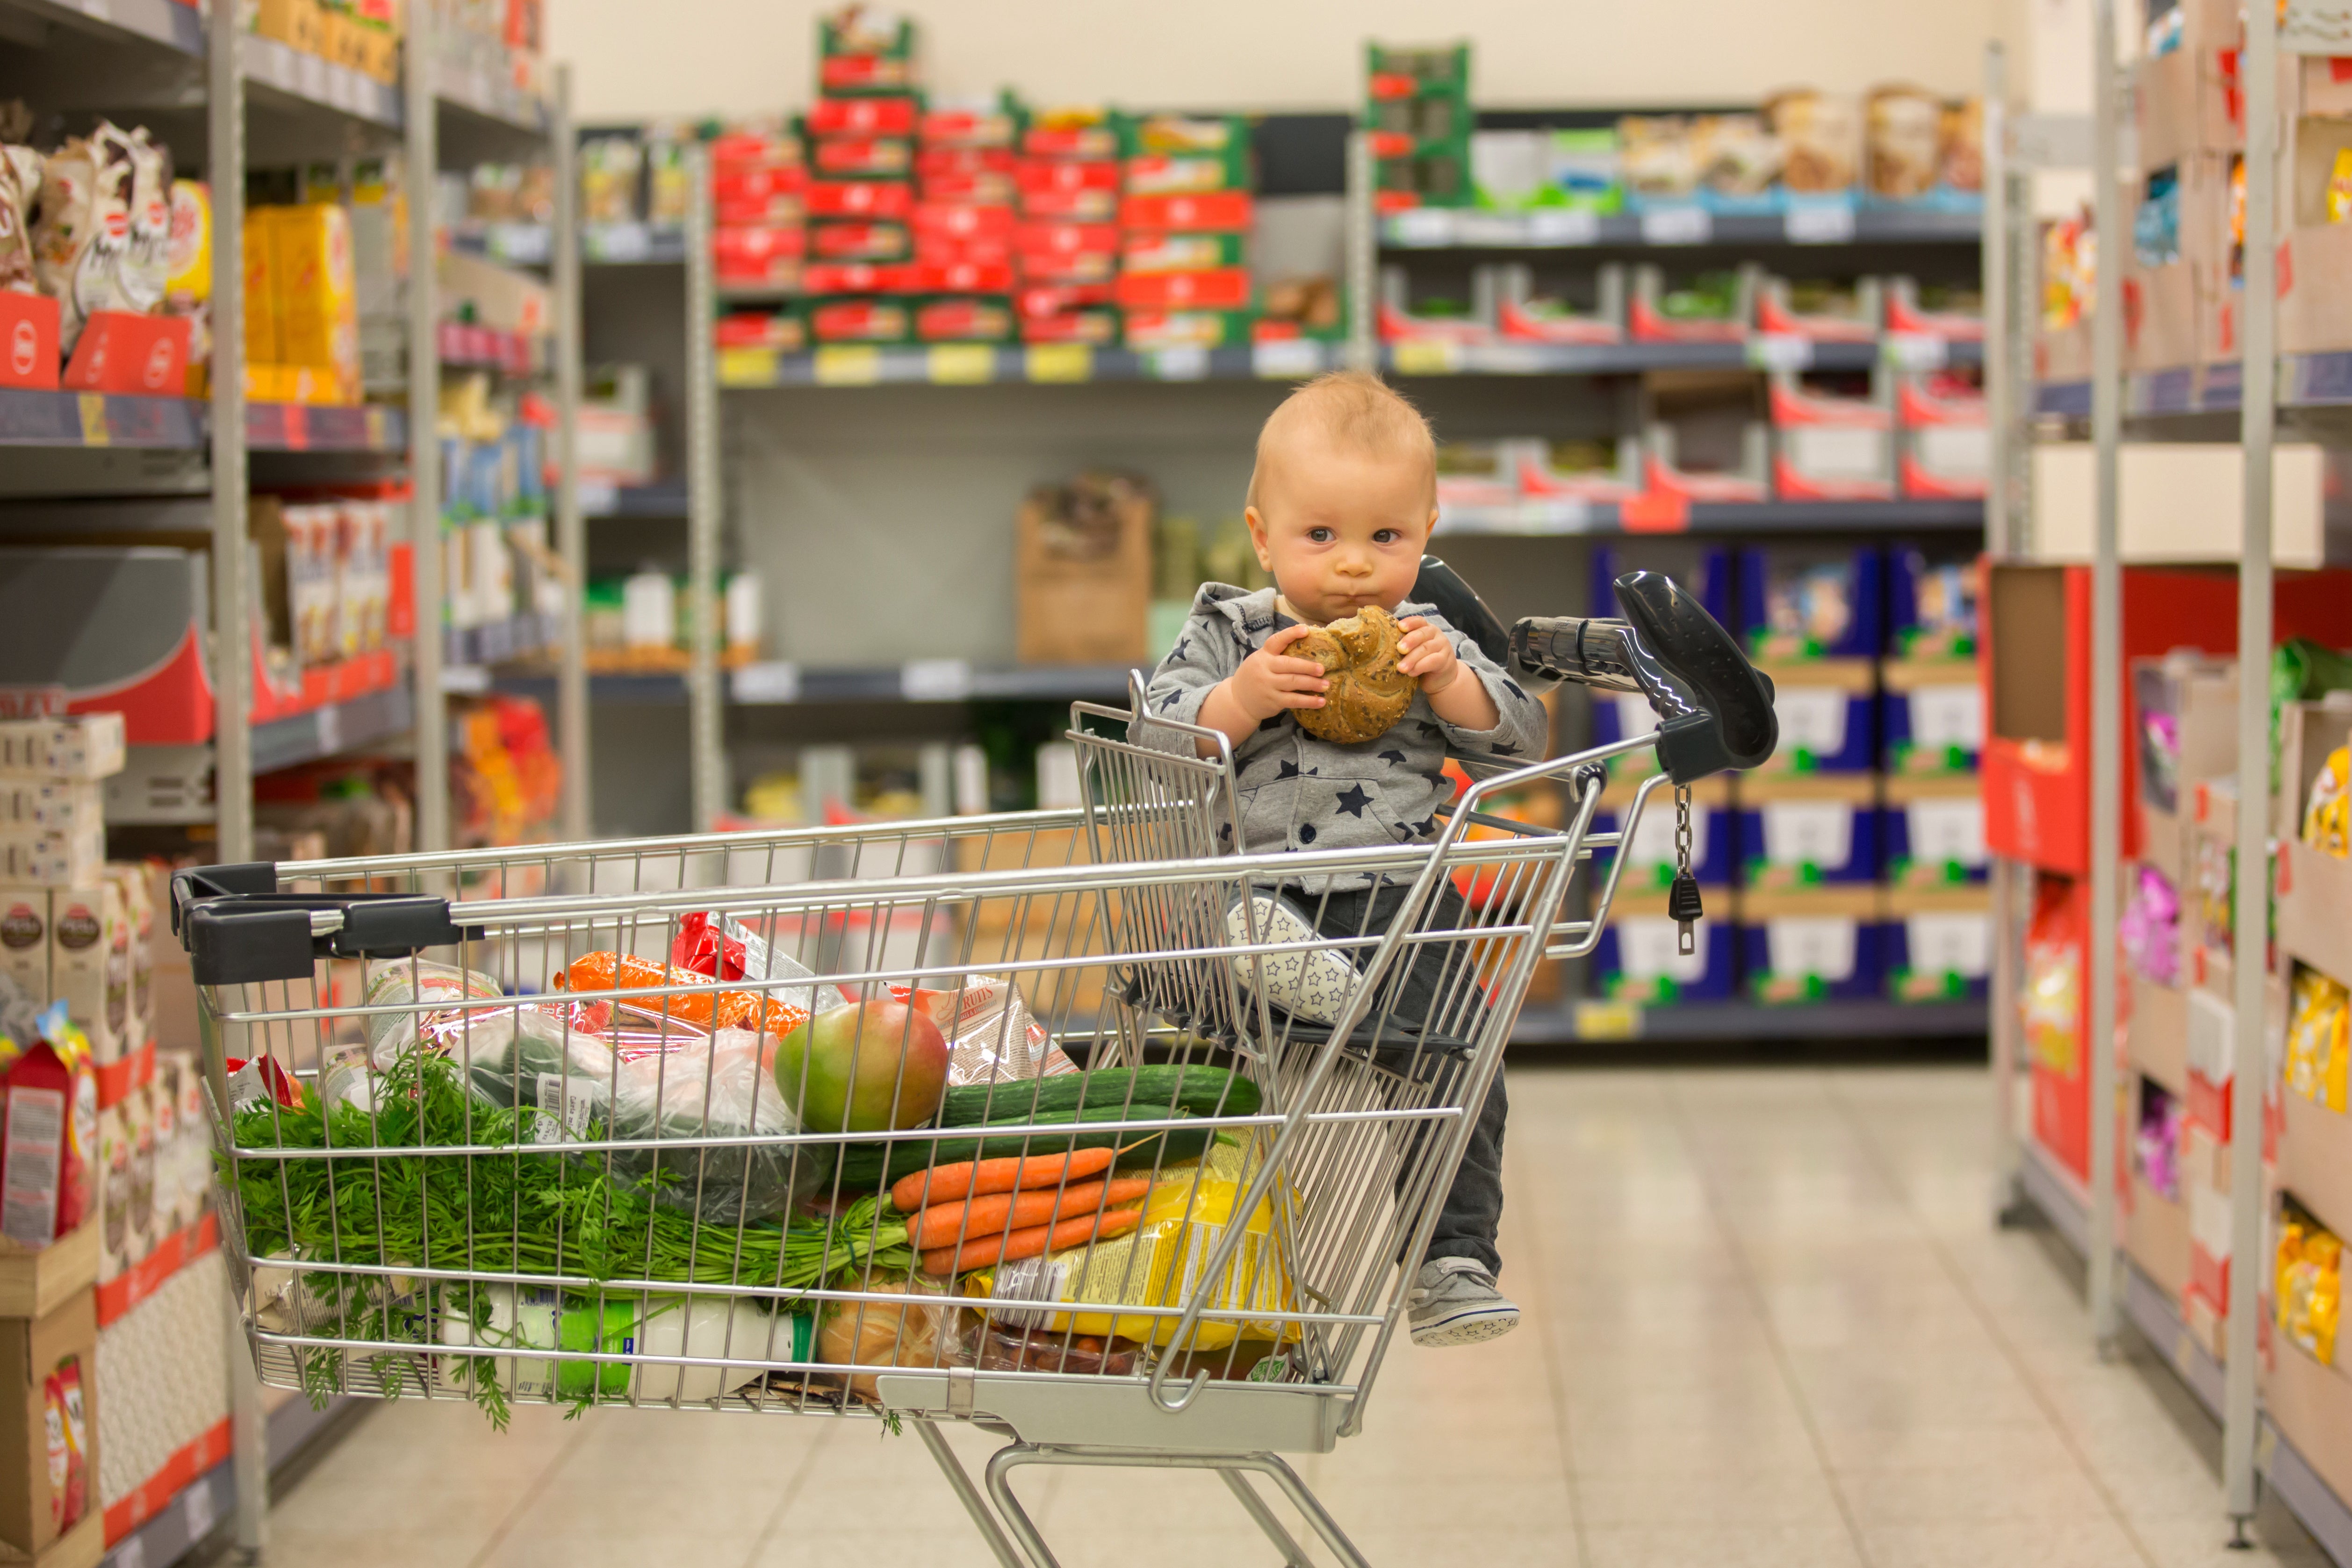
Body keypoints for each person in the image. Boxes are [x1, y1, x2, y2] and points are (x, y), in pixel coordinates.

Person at [1135, 369, 1548, 1347]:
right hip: (1255, 893)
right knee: (1214, 1021)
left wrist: (1452, 687)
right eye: (1320, 536)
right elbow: (1151, 743)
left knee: (1460, 1058)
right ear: (1261, 533)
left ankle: (1450, 1259)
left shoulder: (1427, 638)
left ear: (1427, 530)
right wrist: (1238, 700)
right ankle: (1304, 994)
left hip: (1403, 899)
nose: (1355, 567)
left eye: (1386, 538)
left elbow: (1520, 743)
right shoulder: (1229, 631)